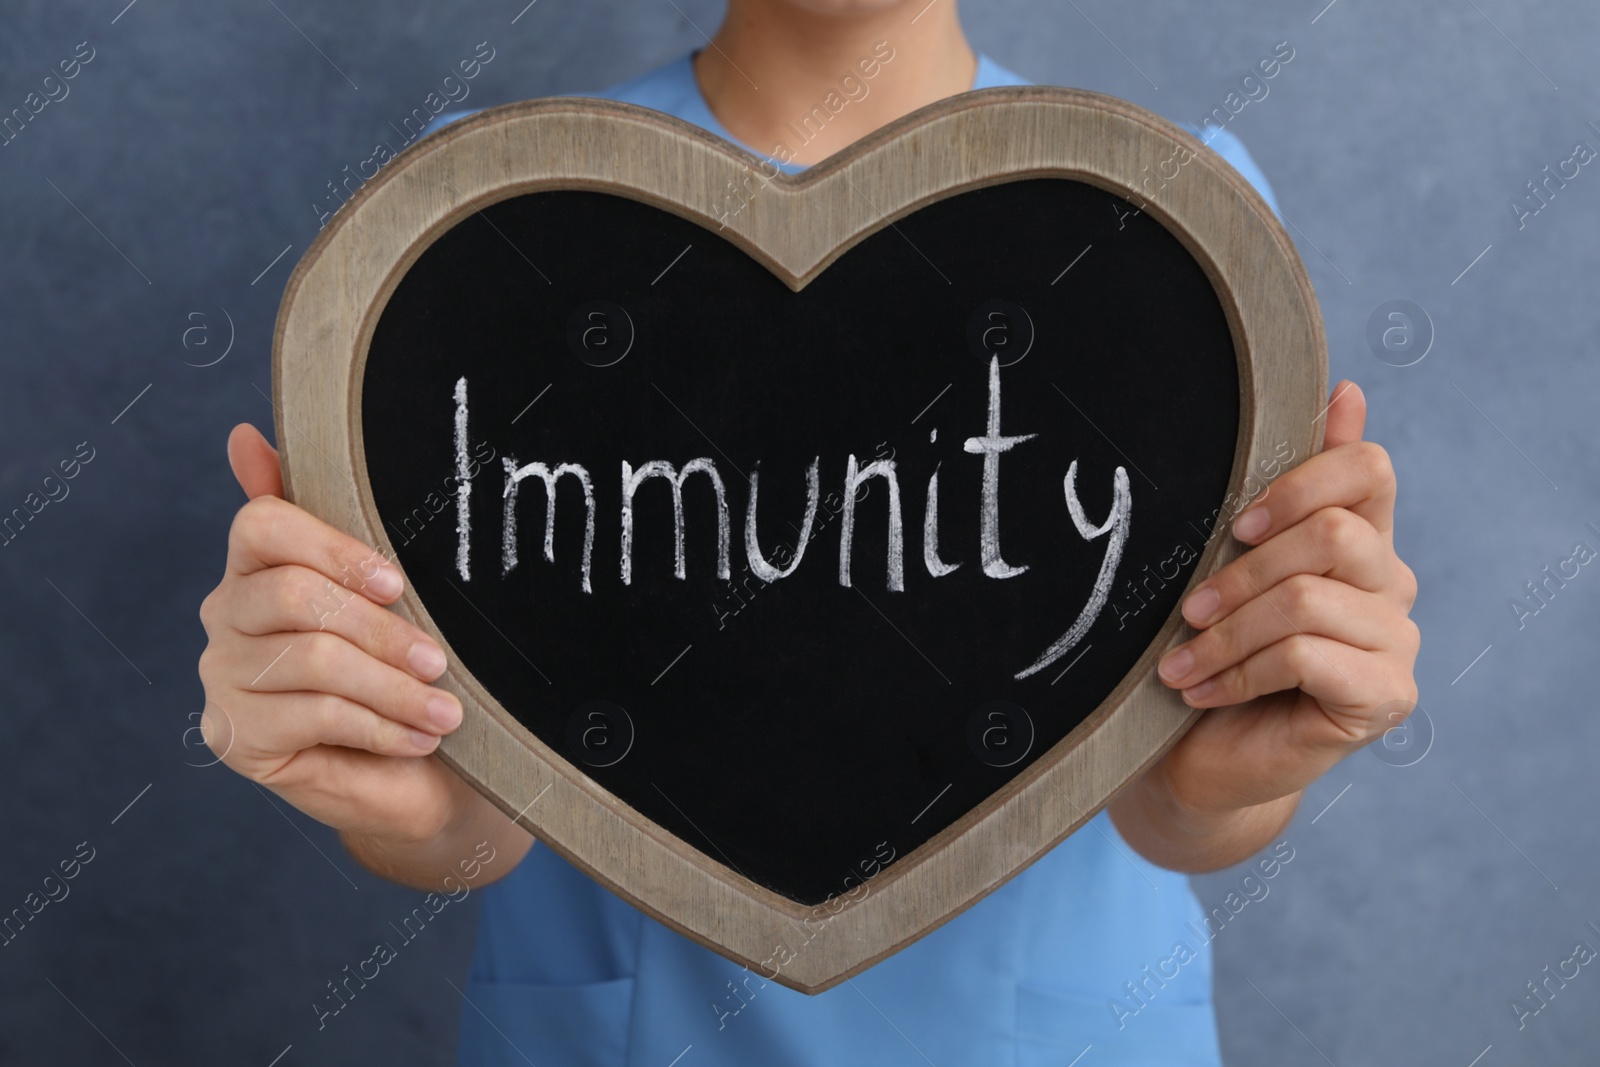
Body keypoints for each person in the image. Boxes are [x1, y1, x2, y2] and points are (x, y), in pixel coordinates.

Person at [197, 1, 1420, 1063]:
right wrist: (388, 785)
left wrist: (1244, 761)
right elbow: (479, 820)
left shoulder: (1169, 216)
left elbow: (1177, 794)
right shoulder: (490, 220)